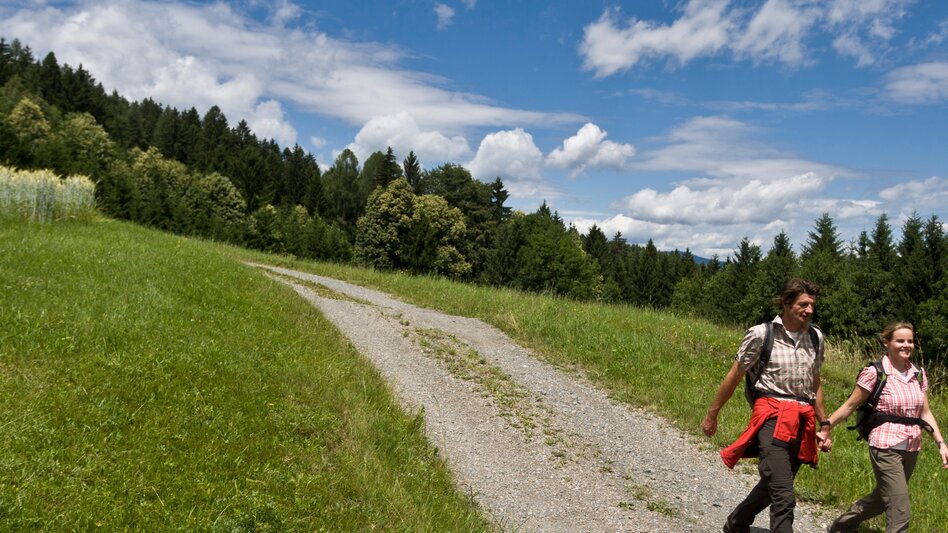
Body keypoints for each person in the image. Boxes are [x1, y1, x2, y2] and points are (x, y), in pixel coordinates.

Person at [702, 278, 830, 533]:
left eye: (812, 305)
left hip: (802, 420)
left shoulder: (816, 337)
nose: (810, 310)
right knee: (784, 495)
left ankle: (736, 523)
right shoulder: (761, 334)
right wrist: (712, 414)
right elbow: (734, 375)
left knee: (773, 485)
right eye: (803, 304)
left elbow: (815, 382)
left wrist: (824, 423)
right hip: (771, 417)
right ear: (786, 303)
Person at [821, 322, 948, 533]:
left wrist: (941, 443)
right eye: (900, 341)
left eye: (910, 341)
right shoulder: (876, 372)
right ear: (886, 342)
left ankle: (842, 525)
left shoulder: (918, 373)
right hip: (885, 445)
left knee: (882, 498)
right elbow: (850, 405)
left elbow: (925, 412)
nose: (906, 345)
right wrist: (825, 428)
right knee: (900, 508)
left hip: (911, 446)